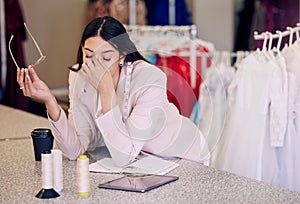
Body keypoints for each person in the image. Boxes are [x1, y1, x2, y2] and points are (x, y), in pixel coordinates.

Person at [17, 16, 210, 166]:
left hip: (181, 156)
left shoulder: (150, 78)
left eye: (106, 57)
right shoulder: (79, 75)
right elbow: (74, 151)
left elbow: (124, 156)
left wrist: (106, 92)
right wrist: (50, 101)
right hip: (142, 164)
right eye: (89, 55)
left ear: (122, 56)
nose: (96, 65)